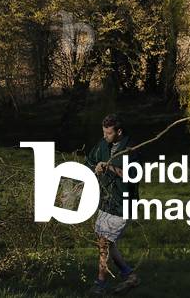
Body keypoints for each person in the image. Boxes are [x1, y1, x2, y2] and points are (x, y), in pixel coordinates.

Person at [85, 113, 140, 295]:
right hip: (106, 202)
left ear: (119, 131)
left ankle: (100, 284)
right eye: (104, 132)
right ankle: (129, 274)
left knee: (104, 243)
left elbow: (132, 175)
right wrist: (95, 168)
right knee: (104, 242)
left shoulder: (131, 149)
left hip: (123, 204)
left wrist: (108, 167)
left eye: (108, 133)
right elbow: (91, 161)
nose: (105, 136)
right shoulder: (102, 145)